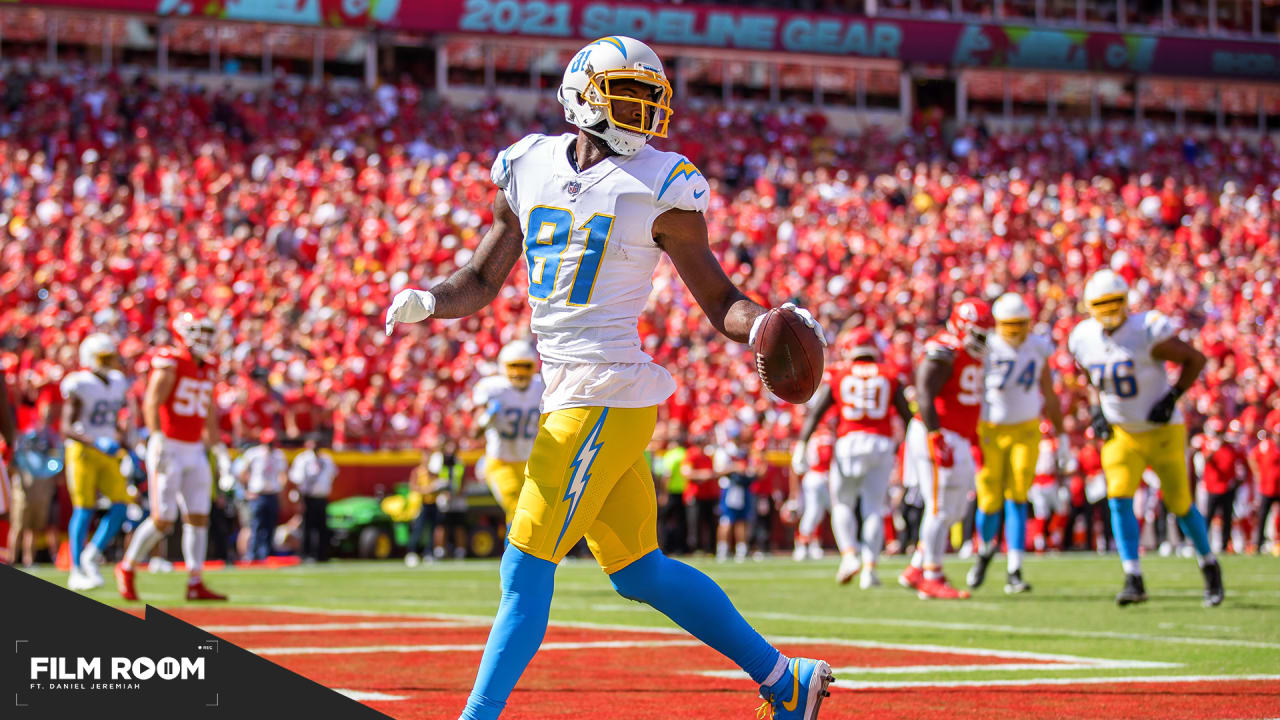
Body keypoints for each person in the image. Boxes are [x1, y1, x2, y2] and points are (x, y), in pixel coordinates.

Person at [385, 35, 833, 720]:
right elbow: (479, 279)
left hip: (603, 393)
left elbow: (720, 301)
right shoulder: (528, 163)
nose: (638, 113)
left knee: (524, 568)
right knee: (637, 571)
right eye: (625, 95)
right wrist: (429, 301)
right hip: (575, 393)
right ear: (580, 92)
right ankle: (783, 680)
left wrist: (768, 322)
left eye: (648, 100)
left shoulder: (663, 183)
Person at [1068, 268, 1223, 607]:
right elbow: (1088, 374)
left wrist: (1171, 397)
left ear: (1126, 302)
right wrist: (1096, 407)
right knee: (1119, 499)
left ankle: (1209, 565)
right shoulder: (1083, 337)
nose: (1109, 310)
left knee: (1180, 503)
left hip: (1162, 431)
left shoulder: (1145, 330)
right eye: (1102, 303)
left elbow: (1195, 359)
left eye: (1114, 302)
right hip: (1122, 432)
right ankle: (1133, 576)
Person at [116, 312, 232, 601]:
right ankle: (127, 566)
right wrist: (155, 438)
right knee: (163, 519)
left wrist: (219, 450)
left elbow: (207, 412)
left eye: (208, 333)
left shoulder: (210, 366)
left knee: (198, 517)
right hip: (169, 444)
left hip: (195, 448)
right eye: (198, 332)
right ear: (182, 333)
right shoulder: (171, 360)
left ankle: (195, 581)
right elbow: (152, 401)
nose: (204, 339)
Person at [969, 293, 1071, 594]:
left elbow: (1049, 393)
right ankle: (985, 551)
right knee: (988, 500)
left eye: (1020, 324)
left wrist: (1062, 434)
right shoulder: (984, 345)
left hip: (1026, 429)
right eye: (1009, 324)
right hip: (989, 430)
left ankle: (1014, 568)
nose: (1015, 331)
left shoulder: (1037, 346)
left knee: (1018, 495)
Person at [795, 327, 912, 587]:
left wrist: (802, 444)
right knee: (873, 508)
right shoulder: (890, 373)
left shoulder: (840, 373)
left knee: (842, 504)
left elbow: (816, 414)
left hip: (849, 442)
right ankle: (870, 568)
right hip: (881, 443)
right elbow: (907, 416)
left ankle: (849, 555)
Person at [899, 299, 993, 600]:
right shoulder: (945, 347)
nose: (981, 342)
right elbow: (924, 391)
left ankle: (916, 568)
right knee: (939, 508)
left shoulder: (969, 352)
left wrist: (973, 437)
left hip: (959, 436)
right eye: (976, 334)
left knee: (954, 509)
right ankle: (932, 574)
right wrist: (935, 434)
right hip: (938, 433)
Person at [61, 334, 133, 590]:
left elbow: (112, 419)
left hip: (108, 451)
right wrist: (95, 441)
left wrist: (122, 440)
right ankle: (76, 568)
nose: (109, 362)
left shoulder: (117, 381)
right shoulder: (79, 383)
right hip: (82, 451)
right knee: (83, 508)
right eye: (104, 357)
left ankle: (91, 553)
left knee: (122, 505)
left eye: (110, 357)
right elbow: (66, 427)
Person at [473, 340, 544, 529]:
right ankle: (515, 555)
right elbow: (474, 432)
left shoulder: (541, 386)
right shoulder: (494, 389)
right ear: (503, 366)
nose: (519, 372)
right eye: (514, 366)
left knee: (536, 510)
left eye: (525, 366)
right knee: (516, 505)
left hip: (531, 462)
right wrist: (486, 417)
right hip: (501, 461)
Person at [1194, 418, 1247, 554]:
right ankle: (1202, 544)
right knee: (1208, 517)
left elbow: (1239, 465)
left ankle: (1224, 545)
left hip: (1227, 487)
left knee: (1227, 517)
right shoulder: (1210, 445)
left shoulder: (1231, 448)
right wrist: (1214, 448)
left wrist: (1235, 481)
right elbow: (1205, 459)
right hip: (1211, 488)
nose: (1219, 435)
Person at [238, 428, 288, 562]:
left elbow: (282, 475)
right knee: (256, 526)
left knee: (270, 526)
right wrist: (246, 490)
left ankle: (266, 554)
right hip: (257, 495)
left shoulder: (278, 455)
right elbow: (242, 472)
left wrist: (281, 493)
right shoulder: (253, 454)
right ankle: (252, 555)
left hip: (272, 494)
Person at [290, 433, 337, 562]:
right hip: (308, 497)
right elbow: (297, 481)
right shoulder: (303, 459)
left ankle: (321, 554)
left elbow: (332, 476)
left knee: (322, 527)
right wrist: (299, 500)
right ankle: (306, 554)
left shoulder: (327, 459)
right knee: (307, 527)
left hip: (321, 497)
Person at [789, 430, 833, 563]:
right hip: (823, 476)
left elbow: (796, 467)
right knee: (821, 512)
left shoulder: (807, 439)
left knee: (815, 513)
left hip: (811, 477)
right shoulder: (827, 437)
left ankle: (808, 545)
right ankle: (804, 544)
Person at [714, 441, 753, 563]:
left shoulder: (743, 450)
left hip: (742, 488)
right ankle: (722, 549)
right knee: (726, 520)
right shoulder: (723, 451)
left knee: (742, 520)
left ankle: (741, 549)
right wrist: (734, 468)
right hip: (729, 489)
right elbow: (718, 471)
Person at [1247, 417, 1280, 554]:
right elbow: (1252, 456)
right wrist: (1258, 474)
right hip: (1267, 488)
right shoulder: (1265, 446)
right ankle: (1258, 544)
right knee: (1262, 517)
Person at [404, 451, 441, 566]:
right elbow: (413, 487)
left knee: (432, 530)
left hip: (433, 503)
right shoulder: (417, 471)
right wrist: (426, 490)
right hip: (421, 504)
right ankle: (412, 552)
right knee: (418, 529)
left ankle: (429, 553)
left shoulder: (434, 472)